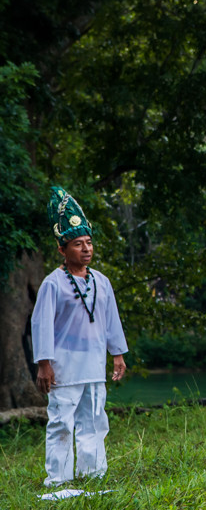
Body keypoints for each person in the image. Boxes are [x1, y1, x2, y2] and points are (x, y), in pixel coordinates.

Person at [31, 186, 128, 487]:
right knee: (61, 423)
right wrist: (44, 364)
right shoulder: (53, 284)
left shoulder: (102, 281)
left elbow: (111, 321)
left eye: (88, 243)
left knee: (95, 421)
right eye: (77, 244)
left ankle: (93, 475)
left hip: (94, 365)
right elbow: (42, 324)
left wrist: (118, 354)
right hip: (63, 368)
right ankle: (58, 480)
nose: (86, 249)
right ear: (62, 249)